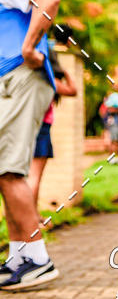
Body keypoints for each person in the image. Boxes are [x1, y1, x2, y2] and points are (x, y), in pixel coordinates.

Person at [0, 0, 61, 290]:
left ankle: (38, 259)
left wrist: (28, 47)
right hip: (12, 80)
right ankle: (19, 256)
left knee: (9, 170)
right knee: (4, 170)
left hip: (21, 76)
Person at [28, 27, 77, 217]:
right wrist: (63, 70)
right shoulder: (50, 81)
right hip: (42, 127)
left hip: (28, 126)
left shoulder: (30, 80)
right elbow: (72, 90)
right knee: (35, 176)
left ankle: (27, 216)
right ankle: (32, 217)